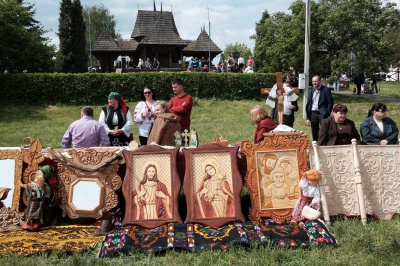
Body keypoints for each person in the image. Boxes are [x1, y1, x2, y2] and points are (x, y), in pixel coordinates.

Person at [20, 165, 53, 231]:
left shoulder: (43, 184)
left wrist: (37, 182)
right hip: (32, 200)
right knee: (29, 211)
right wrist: (23, 185)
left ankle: (36, 224)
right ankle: (28, 223)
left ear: (45, 177)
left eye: (40, 175)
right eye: (37, 174)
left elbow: (44, 191)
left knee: (37, 213)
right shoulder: (33, 183)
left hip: (39, 201)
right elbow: (29, 187)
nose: (38, 176)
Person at [305, 75, 334, 141]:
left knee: (324, 130)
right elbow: (308, 105)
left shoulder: (326, 90)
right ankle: (315, 144)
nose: (314, 83)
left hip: (322, 113)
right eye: (313, 81)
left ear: (319, 81)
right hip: (313, 113)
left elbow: (330, 102)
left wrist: (327, 113)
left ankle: (323, 143)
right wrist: (307, 117)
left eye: (316, 81)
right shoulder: (310, 91)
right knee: (314, 131)